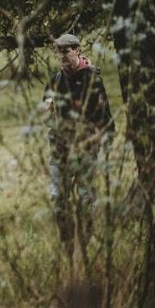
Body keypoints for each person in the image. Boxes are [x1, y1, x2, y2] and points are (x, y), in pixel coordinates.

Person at [43, 34, 115, 255]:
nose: (62, 56)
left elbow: (104, 115)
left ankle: (84, 242)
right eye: (59, 52)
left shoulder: (92, 79)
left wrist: (105, 140)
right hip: (60, 148)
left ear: (77, 50)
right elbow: (45, 115)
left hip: (85, 147)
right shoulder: (55, 80)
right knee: (58, 196)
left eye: (66, 51)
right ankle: (67, 244)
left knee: (85, 198)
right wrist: (47, 111)